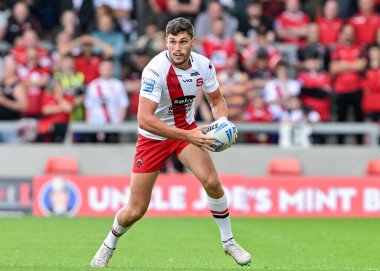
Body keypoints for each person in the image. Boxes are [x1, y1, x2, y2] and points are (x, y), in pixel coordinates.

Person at [90, 17, 251, 268]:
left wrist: (223, 124)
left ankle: (228, 241)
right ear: (166, 42)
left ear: (192, 42)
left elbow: (217, 100)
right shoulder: (155, 69)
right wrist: (190, 135)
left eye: (183, 42)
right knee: (136, 209)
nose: (177, 48)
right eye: (172, 42)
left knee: (212, 182)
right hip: (154, 137)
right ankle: (109, 243)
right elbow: (144, 119)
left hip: (185, 131)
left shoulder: (204, 65)